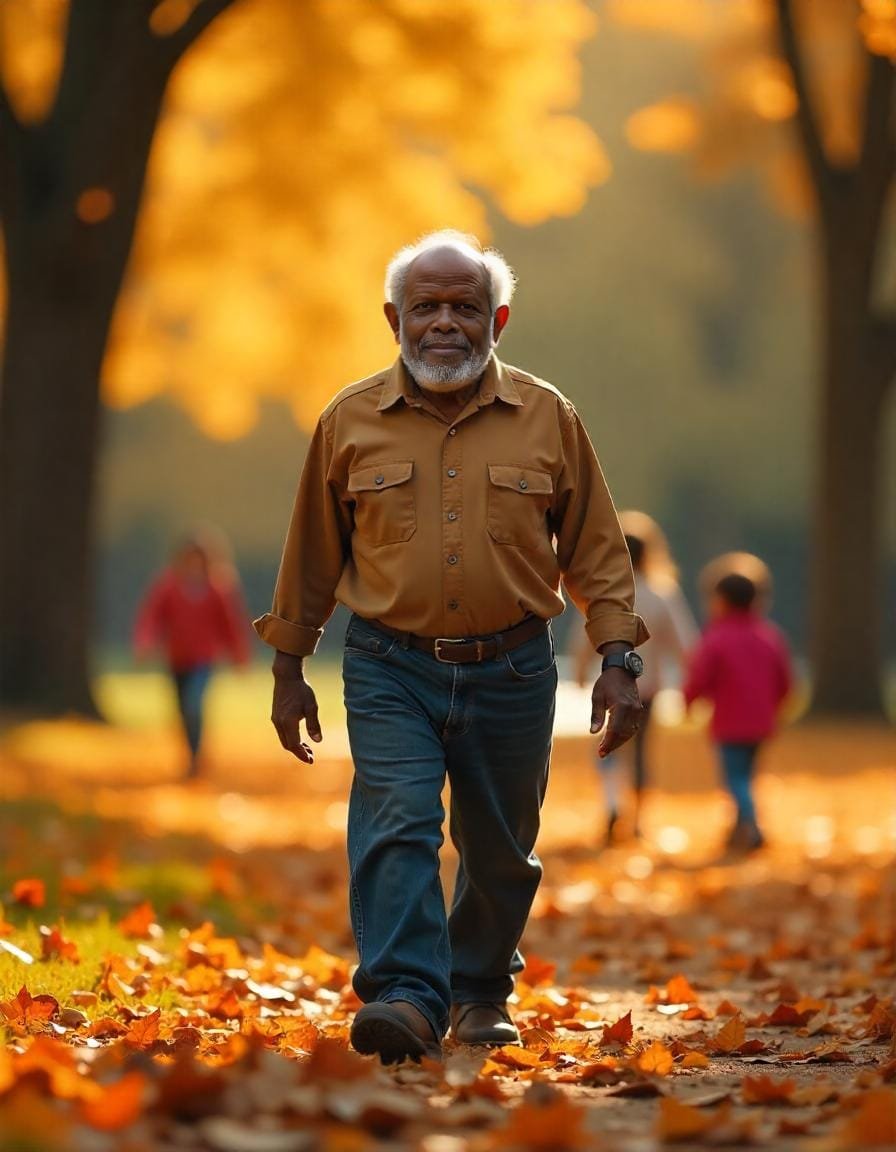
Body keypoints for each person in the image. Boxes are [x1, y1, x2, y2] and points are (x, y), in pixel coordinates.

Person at [254, 230, 648, 1063]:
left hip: (514, 666)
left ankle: (478, 991)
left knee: (501, 848)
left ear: (496, 318)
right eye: (426, 307)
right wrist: (288, 669)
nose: (444, 324)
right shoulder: (348, 420)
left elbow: (596, 550)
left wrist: (617, 658)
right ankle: (406, 995)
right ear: (393, 317)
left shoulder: (549, 417)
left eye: (464, 307)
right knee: (396, 822)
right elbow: (311, 555)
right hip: (388, 665)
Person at [575, 511, 697, 844]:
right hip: (648, 690)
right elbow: (685, 642)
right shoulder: (662, 594)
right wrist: (690, 678)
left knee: (607, 749)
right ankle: (639, 818)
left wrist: (581, 672)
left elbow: (583, 635)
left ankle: (613, 804)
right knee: (642, 754)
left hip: (608, 684)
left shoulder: (603, 592)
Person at [683, 553, 793, 853]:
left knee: (735, 779)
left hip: (730, 723)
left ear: (721, 601)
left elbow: (701, 675)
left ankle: (753, 826)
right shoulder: (770, 636)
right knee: (747, 776)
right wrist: (776, 707)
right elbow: (785, 681)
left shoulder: (717, 637)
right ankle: (738, 828)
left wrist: (689, 700)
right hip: (760, 722)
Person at [133, 532, 250, 779]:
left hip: (203, 661)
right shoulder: (168, 586)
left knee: (194, 704)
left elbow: (230, 624)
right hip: (176, 660)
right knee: (182, 711)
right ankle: (190, 755)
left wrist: (239, 655)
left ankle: (196, 759)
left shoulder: (218, 588)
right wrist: (145, 642)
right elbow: (152, 618)